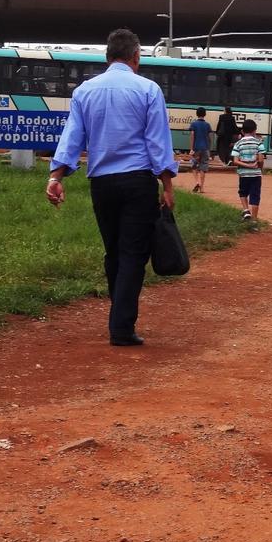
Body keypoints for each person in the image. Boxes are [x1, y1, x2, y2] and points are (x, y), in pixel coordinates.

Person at [45, 28, 177, 347]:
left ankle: (118, 315)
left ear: (106, 57)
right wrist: (168, 184)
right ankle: (121, 326)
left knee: (114, 251)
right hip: (137, 181)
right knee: (134, 252)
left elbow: (72, 137)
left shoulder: (85, 91)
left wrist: (56, 177)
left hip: (101, 184)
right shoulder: (147, 89)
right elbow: (157, 141)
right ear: (136, 57)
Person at [231, 119, 265, 221]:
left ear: (242, 131)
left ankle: (246, 210)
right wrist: (259, 168)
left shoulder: (238, 144)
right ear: (255, 130)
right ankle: (254, 220)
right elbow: (261, 159)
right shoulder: (258, 143)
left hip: (243, 174)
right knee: (255, 196)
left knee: (242, 192)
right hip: (256, 174)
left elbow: (235, 161)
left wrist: (246, 165)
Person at [188, 107, 212, 193]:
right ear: (204, 114)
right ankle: (202, 187)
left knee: (194, 166)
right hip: (205, 148)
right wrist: (209, 147)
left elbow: (192, 136)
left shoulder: (193, 124)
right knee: (203, 167)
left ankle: (196, 182)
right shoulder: (207, 125)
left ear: (196, 114)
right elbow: (210, 137)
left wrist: (191, 148)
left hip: (196, 148)